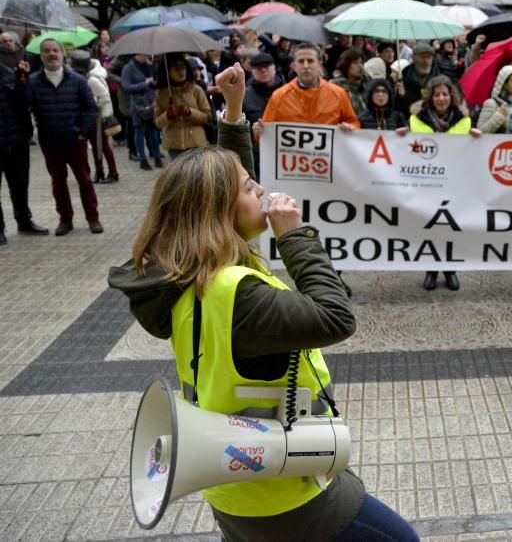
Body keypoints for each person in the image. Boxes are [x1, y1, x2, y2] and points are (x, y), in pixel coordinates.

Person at [107, 65, 419, 542]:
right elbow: (336, 317)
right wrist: (294, 236)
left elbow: (220, 186)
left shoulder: (178, 274)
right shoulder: (241, 294)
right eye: (253, 190)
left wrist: (233, 111)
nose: (263, 191)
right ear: (221, 214)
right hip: (285, 495)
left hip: (233, 484)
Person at [27, 39, 102, 236]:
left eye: (55, 50)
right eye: (46, 51)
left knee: (85, 181)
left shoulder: (77, 80)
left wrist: (83, 133)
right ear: (41, 55)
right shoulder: (33, 81)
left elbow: (91, 109)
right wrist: (21, 80)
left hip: (74, 141)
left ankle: (93, 218)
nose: (51, 54)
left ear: (62, 54)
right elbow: (25, 105)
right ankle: (65, 219)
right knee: (58, 183)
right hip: (50, 142)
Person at [408, 76, 474, 292]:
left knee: (451, 228)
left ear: (451, 97)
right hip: (427, 184)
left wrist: (478, 140)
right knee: (430, 227)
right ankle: (431, 270)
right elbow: (410, 150)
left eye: (445, 94)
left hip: (455, 185)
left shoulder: (465, 122)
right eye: (437, 94)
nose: (441, 98)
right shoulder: (415, 121)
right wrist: (402, 137)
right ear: (430, 97)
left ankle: (450, 270)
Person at [254, 43, 360, 137]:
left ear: (320, 64)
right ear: (294, 66)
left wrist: (350, 127)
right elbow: (265, 133)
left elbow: (354, 123)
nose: (305, 66)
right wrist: (258, 131)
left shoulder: (339, 94)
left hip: (327, 158)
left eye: (310, 61)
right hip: (292, 158)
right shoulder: (279, 96)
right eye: (301, 61)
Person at [0, 59, 48, 244]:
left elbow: (26, 101)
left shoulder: (11, 73)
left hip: (17, 138)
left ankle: (24, 220)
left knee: (20, 185)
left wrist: (22, 78)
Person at [70, 51, 119, 184]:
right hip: (91, 116)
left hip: (98, 117)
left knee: (102, 146)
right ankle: (100, 171)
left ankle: (112, 171)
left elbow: (104, 98)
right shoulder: (88, 76)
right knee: (96, 145)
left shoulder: (92, 79)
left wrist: (89, 103)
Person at [153, 54, 212, 160]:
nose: (181, 72)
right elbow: (158, 123)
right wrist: (168, 115)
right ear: (167, 72)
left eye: (183, 67)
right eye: (176, 69)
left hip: (196, 143)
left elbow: (206, 117)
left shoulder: (196, 90)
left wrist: (190, 112)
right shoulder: (162, 94)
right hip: (174, 145)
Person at [243, 52, 284, 180]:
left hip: (285, 154)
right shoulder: (244, 96)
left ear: (274, 67)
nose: (263, 70)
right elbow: (235, 127)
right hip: (257, 158)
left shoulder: (289, 92)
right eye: (258, 67)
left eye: (267, 66)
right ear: (252, 71)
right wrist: (250, 130)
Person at [122, 53, 163, 170]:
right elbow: (126, 87)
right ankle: (143, 159)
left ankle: (157, 157)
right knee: (139, 131)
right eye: (144, 54)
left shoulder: (149, 66)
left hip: (151, 103)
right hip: (138, 105)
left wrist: (154, 83)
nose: (146, 56)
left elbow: (154, 83)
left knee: (154, 132)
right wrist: (144, 84)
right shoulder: (128, 68)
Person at [400, 42, 440, 112]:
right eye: (422, 57)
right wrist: (402, 96)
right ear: (413, 58)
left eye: (429, 57)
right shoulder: (404, 78)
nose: (426, 61)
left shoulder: (439, 79)